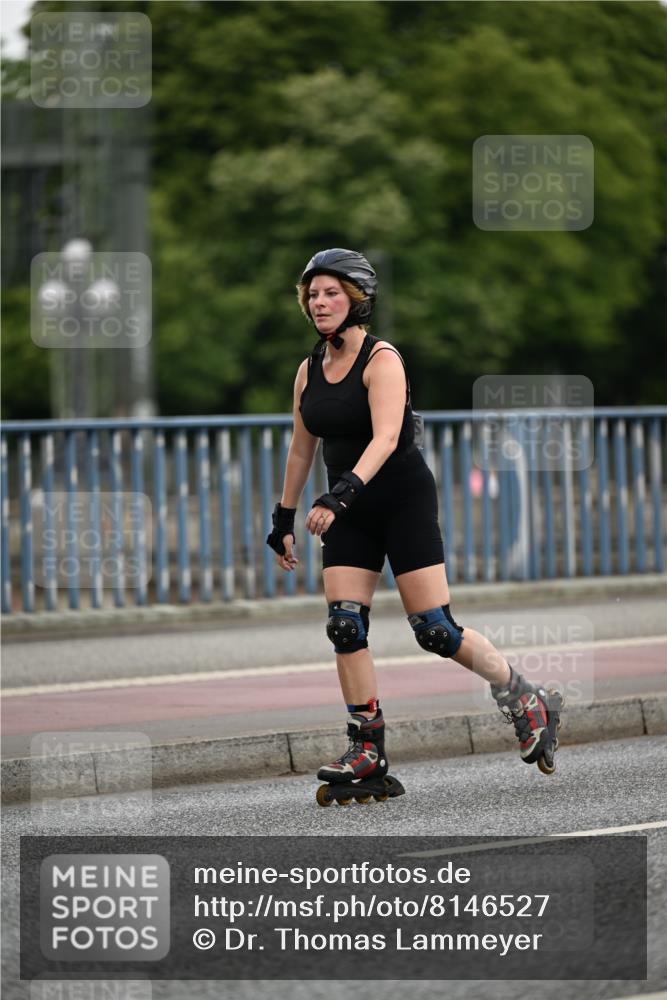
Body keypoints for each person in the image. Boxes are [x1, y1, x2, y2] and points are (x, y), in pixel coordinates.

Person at [267, 249, 561, 797]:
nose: (319, 302)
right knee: (345, 626)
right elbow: (302, 447)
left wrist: (339, 494)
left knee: (435, 629)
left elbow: (384, 438)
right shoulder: (308, 370)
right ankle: (367, 749)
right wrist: (282, 515)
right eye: (312, 294)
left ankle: (523, 696)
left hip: (400, 500)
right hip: (348, 511)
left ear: (356, 299)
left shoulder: (383, 359)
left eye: (331, 292)